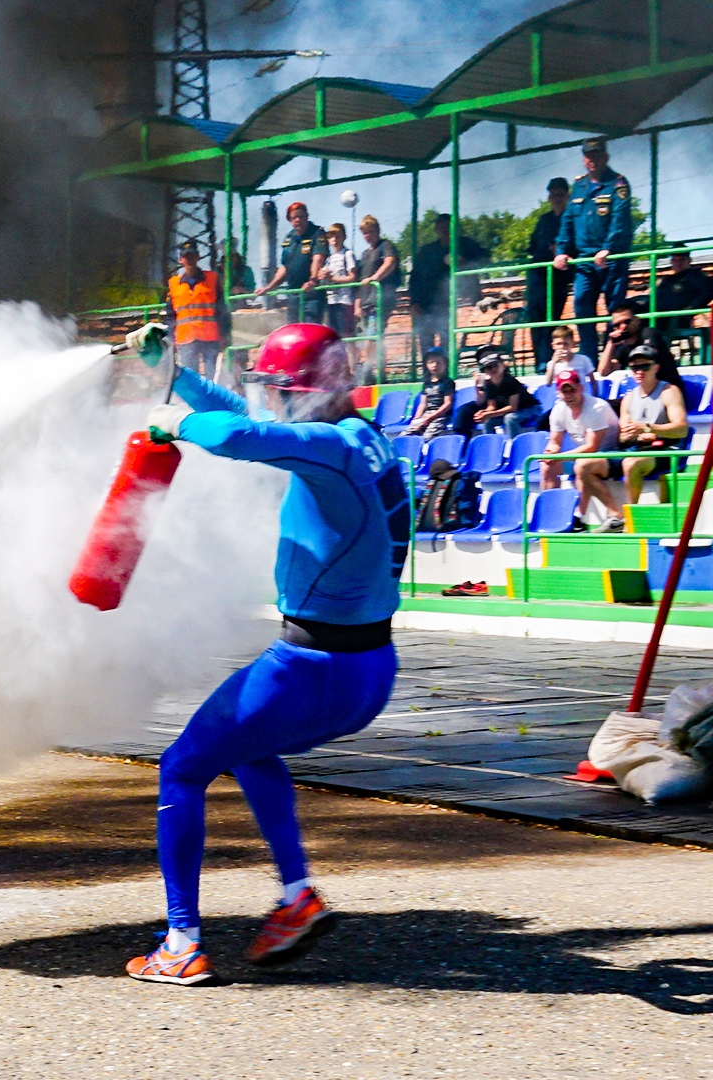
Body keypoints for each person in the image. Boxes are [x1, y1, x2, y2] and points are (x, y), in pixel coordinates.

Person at [129, 322, 408, 985]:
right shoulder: (360, 440)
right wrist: (175, 373)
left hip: (313, 668)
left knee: (182, 769)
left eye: (279, 389)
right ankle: (295, 897)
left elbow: (238, 436)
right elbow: (252, 420)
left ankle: (181, 943)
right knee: (249, 748)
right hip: (369, 666)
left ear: (301, 392)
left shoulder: (329, 449)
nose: (270, 399)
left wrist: (174, 421)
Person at [554, 137, 635, 357]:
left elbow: (620, 220)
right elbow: (568, 221)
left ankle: (616, 357)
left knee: (616, 311)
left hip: (612, 258)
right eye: (589, 156)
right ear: (583, 159)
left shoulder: (618, 183)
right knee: (581, 304)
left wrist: (608, 248)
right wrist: (562, 250)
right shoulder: (579, 186)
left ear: (606, 157)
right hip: (585, 260)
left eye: (597, 155)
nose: (593, 160)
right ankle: (590, 358)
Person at [539, 370, 626, 532]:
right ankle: (555, 518)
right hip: (587, 455)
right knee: (547, 466)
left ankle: (580, 517)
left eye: (572, 389)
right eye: (565, 391)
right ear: (559, 392)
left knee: (582, 464)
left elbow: (592, 447)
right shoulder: (558, 410)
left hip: (613, 453)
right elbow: (555, 442)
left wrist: (561, 457)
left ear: (580, 388)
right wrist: (551, 453)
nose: (569, 394)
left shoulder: (597, 407)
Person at [615, 344, 690, 505]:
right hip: (638, 449)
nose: (639, 371)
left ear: (656, 367)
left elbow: (682, 429)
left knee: (630, 463)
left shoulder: (669, 392)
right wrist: (631, 436)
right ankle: (614, 517)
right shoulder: (628, 398)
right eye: (634, 367)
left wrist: (649, 428)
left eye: (645, 366)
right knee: (586, 465)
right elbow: (623, 437)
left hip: (666, 449)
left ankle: (632, 520)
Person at [409, 214, 487, 355]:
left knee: (446, 336)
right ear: (436, 230)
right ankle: (429, 372)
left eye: (448, 227)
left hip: (449, 300)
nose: (445, 231)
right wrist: (414, 301)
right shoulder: (427, 251)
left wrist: (464, 262)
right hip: (426, 301)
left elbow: (485, 258)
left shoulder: (465, 245)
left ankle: (446, 370)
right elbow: (415, 278)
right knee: (426, 339)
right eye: (442, 227)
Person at [526, 178, 572, 376]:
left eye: (560, 194)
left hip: (558, 278)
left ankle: (547, 360)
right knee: (535, 319)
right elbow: (533, 246)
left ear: (567, 195)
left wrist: (562, 250)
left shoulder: (571, 218)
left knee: (550, 320)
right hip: (538, 277)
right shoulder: (544, 220)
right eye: (553, 195)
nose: (556, 198)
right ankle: (539, 362)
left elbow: (576, 245)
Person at [256, 201, 327, 325]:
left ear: (307, 217)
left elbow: (318, 259)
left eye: (301, 216)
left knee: (311, 329)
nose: (298, 220)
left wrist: (313, 280)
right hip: (293, 294)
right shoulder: (289, 238)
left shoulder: (317, 233)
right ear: (290, 220)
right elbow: (285, 267)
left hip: (311, 294)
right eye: (294, 217)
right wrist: (269, 287)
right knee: (293, 329)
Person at [165, 240, 227, 382]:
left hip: (210, 338)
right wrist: (170, 337)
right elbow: (170, 314)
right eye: (186, 257)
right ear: (181, 260)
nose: (190, 260)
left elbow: (222, 310)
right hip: (185, 339)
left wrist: (224, 333)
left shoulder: (212, 279)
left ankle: (212, 403)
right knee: (191, 379)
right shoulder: (174, 284)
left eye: (192, 256)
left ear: (198, 257)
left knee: (212, 378)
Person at [470, 348, 544, 436]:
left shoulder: (510, 382)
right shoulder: (489, 384)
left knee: (510, 418)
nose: (493, 369)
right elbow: (492, 406)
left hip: (531, 409)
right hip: (512, 412)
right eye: (489, 367)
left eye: (495, 365)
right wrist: (484, 412)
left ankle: (513, 443)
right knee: (488, 421)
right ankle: (492, 444)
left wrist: (490, 414)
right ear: (485, 371)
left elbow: (513, 407)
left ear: (503, 366)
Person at [595, 298, 671, 378]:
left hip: (667, 386)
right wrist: (611, 343)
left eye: (627, 322)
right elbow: (603, 372)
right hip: (647, 389)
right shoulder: (625, 348)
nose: (623, 326)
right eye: (617, 325)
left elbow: (647, 357)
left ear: (637, 320)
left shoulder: (649, 333)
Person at [650, 247, 713, 330]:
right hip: (659, 313)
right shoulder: (667, 280)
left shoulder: (698, 278)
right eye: (675, 260)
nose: (678, 263)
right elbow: (656, 297)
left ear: (689, 260)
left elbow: (708, 293)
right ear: (671, 262)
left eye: (681, 260)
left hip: (676, 317)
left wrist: (691, 307)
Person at [354, 215, 401, 336]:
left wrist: (375, 277)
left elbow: (390, 262)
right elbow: (361, 282)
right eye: (365, 233)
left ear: (378, 230)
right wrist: (357, 305)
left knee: (372, 337)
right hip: (366, 303)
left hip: (380, 300)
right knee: (369, 338)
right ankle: (379, 355)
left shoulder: (385, 246)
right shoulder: (364, 254)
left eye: (370, 232)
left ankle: (375, 355)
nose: (368, 235)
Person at [403, 348, 455, 437]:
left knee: (427, 436)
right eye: (431, 362)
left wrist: (432, 416)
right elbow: (423, 404)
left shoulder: (448, 382)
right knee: (405, 435)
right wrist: (417, 419)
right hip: (426, 415)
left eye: (438, 363)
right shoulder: (427, 383)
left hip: (440, 416)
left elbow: (448, 404)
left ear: (445, 365)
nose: (435, 365)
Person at [320, 223, 359, 337]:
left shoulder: (348, 254)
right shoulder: (329, 258)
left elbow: (352, 277)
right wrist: (322, 275)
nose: (335, 240)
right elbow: (323, 277)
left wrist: (333, 278)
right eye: (331, 237)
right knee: (334, 335)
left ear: (344, 237)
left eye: (338, 236)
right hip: (331, 301)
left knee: (347, 334)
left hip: (345, 300)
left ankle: (353, 355)